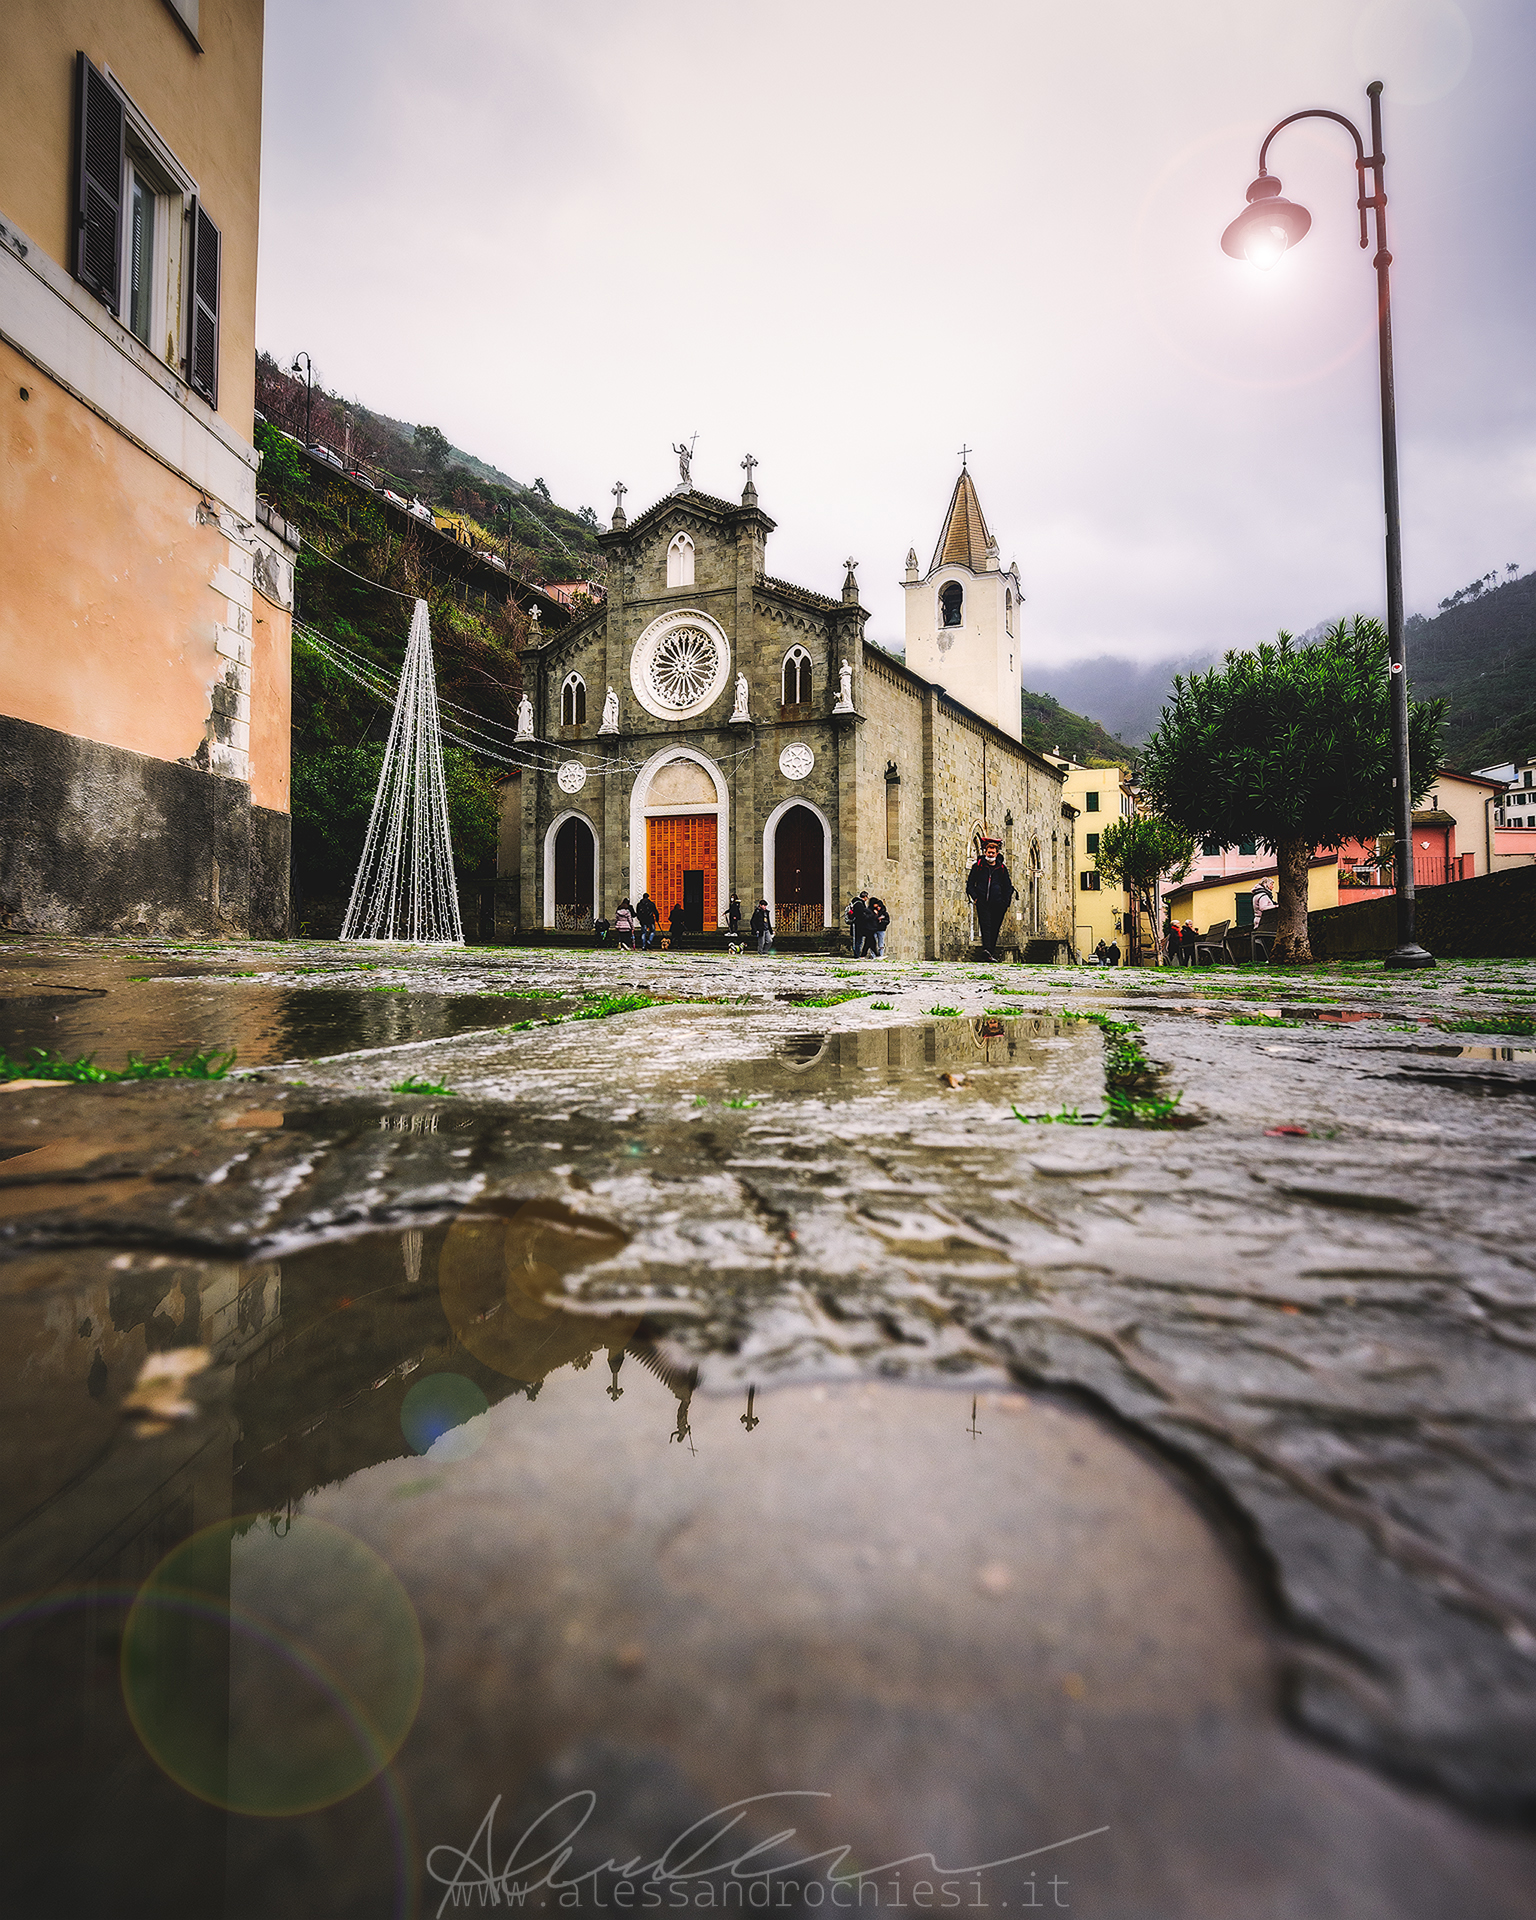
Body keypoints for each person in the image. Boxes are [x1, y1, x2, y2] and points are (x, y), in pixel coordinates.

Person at [965, 835, 1015, 962]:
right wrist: (975, 897)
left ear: (997, 853)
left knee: (995, 927)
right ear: (985, 852)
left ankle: (990, 952)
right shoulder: (978, 867)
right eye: (989, 852)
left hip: (998, 904)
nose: (991, 854)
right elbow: (970, 884)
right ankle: (986, 951)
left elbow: (1008, 887)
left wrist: (1005, 903)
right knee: (985, 926)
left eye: (993, 852)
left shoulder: (1002, 869)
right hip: (982, 902)